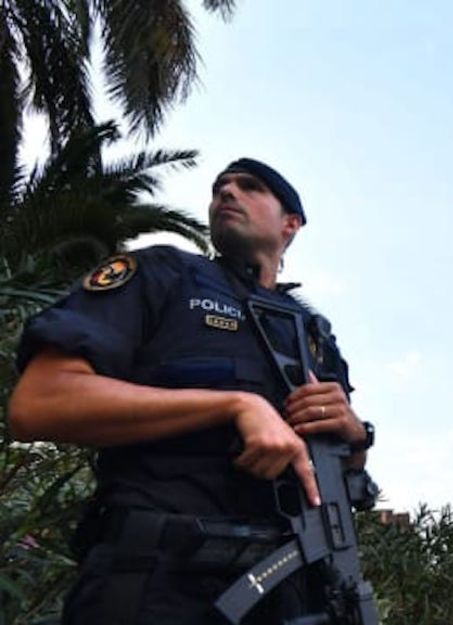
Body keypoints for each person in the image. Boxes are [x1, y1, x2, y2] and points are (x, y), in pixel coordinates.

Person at [8, 158, 373, 624]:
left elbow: (342, 475)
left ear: (291, 224)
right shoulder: (163, 275)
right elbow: (40, 403)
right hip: (156, 583)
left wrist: (355, 437)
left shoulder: (313, 335)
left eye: (250, 187)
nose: (227, 192)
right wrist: (232, 405)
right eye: (220, 186)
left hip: (296, 593)